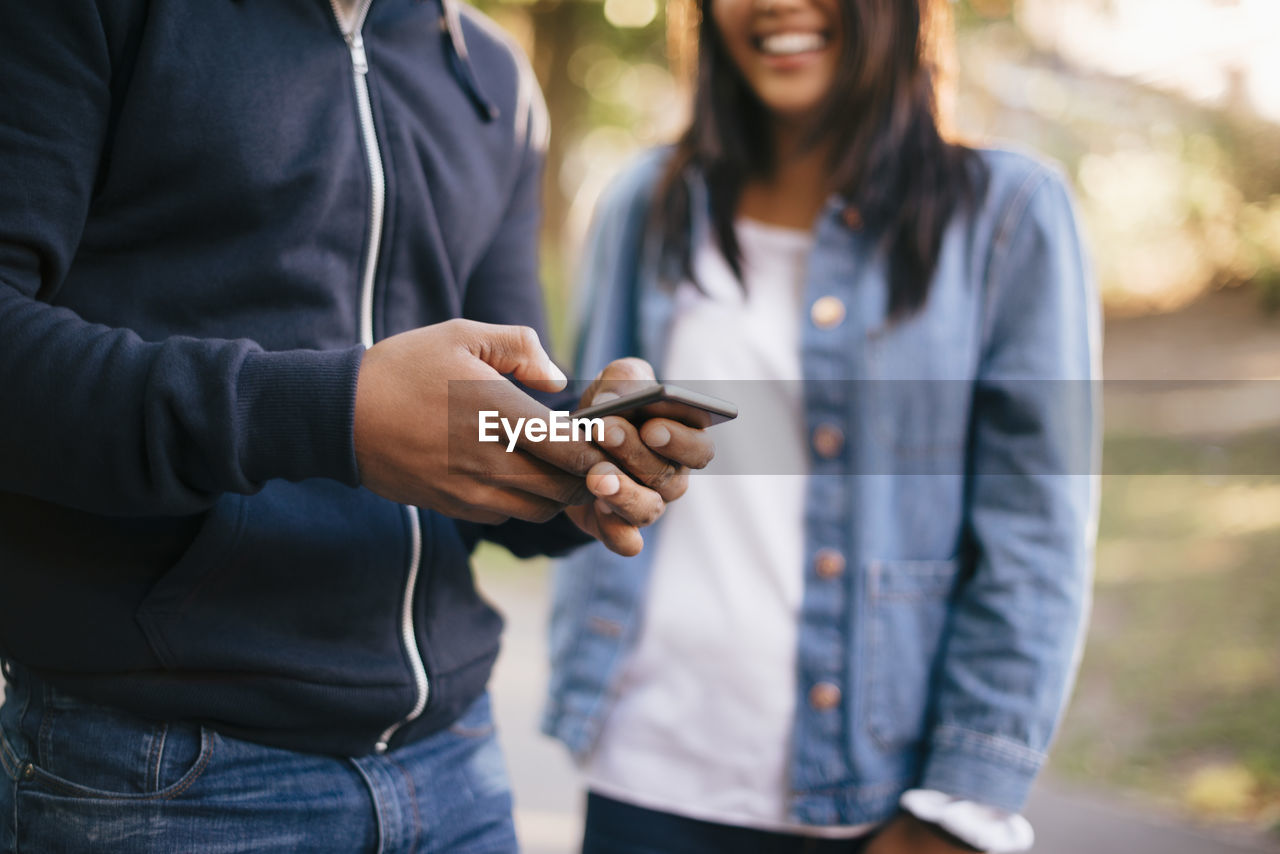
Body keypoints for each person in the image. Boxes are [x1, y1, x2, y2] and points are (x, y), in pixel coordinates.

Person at [0, 0, 712, 851]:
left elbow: (502, 403)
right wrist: (331, 416)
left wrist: (588, 456)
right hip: (164, 773)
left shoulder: (492, 73)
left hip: (458, 768)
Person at [544, 0, 1100, 850]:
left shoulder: (1010, 215)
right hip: (643, 770)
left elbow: (1036, 533)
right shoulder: (646, 202)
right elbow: (590, 464)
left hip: (875, 799)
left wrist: (962, 805)